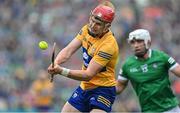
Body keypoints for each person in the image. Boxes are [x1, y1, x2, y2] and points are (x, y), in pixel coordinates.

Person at [48, 1, 119, 113]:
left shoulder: (108, 45)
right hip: (84, 87)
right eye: (92, 20)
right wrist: (55, 63)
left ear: (107, 27)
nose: (92, 25)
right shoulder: (86, 29)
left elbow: (88, 75)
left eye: (98, 24)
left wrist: (61, 71)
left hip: (103, 90)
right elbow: (68, 50)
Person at [116, 29, 180, 112]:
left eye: (139, 41)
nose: (136, 45)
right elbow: (119, 86)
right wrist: (101, 88)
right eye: (132, 42)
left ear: (148, 42)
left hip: (170, 108)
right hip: (148, 111)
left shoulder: (161, 57)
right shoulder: (127, 65)